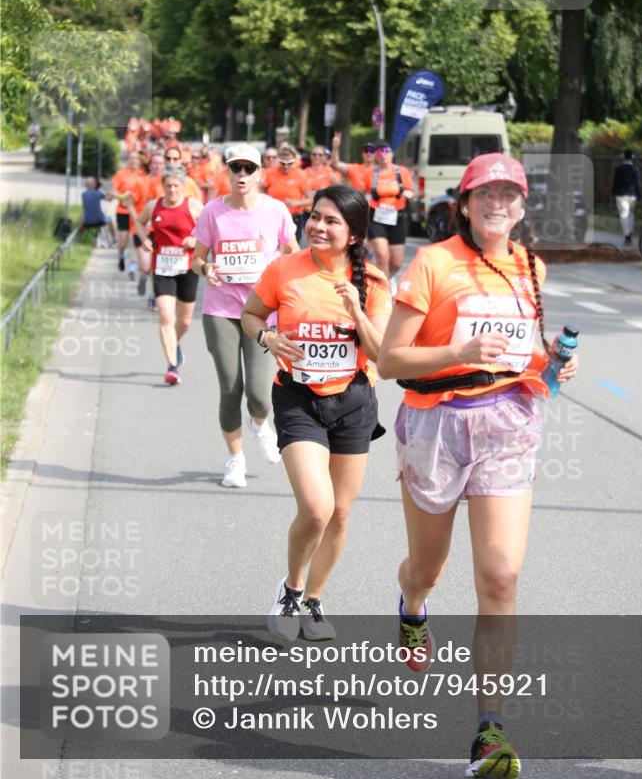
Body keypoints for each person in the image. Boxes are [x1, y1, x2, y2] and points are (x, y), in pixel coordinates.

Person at [377, 153, 578, 779]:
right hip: (437, 424)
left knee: (500, 576)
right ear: (463, 204)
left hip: (508, 426)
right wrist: (458, 350)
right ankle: (411, 605)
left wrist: (551, 362)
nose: (498, 204)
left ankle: (490, 730)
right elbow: (390, 361)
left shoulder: (529, 266)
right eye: (485, 194)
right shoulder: (434, 262)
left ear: (522, 207)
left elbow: (520, 352)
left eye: (510, 195)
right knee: (429, 568)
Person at [241, 185, 392, 641]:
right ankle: (290, 588)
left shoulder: (375, 281)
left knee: (341, 514)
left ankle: (313, 601)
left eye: (331, 221)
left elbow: (382, 353)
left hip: (352, 402)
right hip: (298, 397)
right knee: (316, 507)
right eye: (314, 216)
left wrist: (355, 311)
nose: (318, 226)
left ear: (353, 234)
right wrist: (267, 338)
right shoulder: (284, 269)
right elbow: (251, 315)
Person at [192, 143, 299, 488]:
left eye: (248, 169)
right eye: (235, 168)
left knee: (258, 393)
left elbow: (293, 254)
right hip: (220, 310)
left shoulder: (276, 211)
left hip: (261, 311)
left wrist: (285, 281)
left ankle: (259, 422)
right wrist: (205, 267)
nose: (241, 175)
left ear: (259, 174)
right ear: (227, 171)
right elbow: (197, 257)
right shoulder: (212, 212)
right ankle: (235, 459)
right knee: (229, 388)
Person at [132, 167, 203, 385]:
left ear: (183, 186)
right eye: (168, 186)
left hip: (187, 267)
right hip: (162, 266)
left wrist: (195, 239)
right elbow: (138, 222)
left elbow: (209, 228)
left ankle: (174, 343)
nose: (172, 190)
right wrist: (145, 238)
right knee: (165, 315)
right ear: (163, 186)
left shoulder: (192, 206)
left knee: (185, 321)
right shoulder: (154, 205)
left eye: (176, 186)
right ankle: (172, 366)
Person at [364, 144, 414, 292]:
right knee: (381, 254)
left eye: (386, 151)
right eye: (380, 152)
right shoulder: (371, 173)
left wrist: (407, 195)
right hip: (376, 216)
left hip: (396, 216)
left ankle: (385, 279)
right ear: (376, 156)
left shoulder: (401, 171)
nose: (383, 155)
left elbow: (410, 190)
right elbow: (364, 192)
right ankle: (382, 291)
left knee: (397, 262)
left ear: (392, 154)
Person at [263, 143, 313, 243]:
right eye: (283, 163)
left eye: (289, 163)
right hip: (272, 217)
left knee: (292, 248)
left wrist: (296, 203)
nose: (286, 166)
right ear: (278, 160)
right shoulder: (270, 173)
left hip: (293, 218)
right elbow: (261, 191)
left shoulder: (300, 174)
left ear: (295, 160)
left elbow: (311, 198)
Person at [109, 151, 149, 277]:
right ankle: (121, 255)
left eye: (136, 159)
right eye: (131, 158)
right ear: (127, 160)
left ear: (139, 161)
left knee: (135, 241)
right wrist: (122, 196)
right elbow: (111, 193)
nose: (133, 161)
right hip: (123, 211)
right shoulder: (121, 174)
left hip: (138, 214)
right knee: (123, 240)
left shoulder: (144, 175)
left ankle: (132, 267)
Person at [612, 149, 642, 246]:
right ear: (632, 157)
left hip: (620, 195)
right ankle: (630, 231)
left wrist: (613, 193)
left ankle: (627, 236)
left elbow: (615, 182)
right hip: (632, 195)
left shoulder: (618, 168)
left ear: (623, 157)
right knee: (631, 214)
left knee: (623, 215)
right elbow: (638, 183)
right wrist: (639, 195)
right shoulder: (635, 169)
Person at [80, 177, 113, 246]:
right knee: (109, 219)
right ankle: (114, 239)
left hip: (87, 222)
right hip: (99, 221)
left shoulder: (83, 194)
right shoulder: (98, 193)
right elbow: (110, 199)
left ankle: (79, 239)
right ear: (94, 184)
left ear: (86, 185)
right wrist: (104, 186)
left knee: (82, 220)